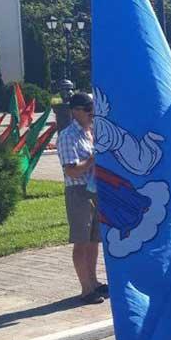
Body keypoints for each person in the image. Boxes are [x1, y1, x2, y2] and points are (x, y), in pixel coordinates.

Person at [56, 91, 107, 305]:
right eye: (87, 109)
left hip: (95, 191)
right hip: (79, 192)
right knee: (81, 241)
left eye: (93, 109)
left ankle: (94, 282)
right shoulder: (68, 136)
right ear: (74, 111)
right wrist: (94, 159)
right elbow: (72, 171)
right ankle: (85, 288)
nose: (91, 113)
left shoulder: (91, 131)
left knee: (94, 240)